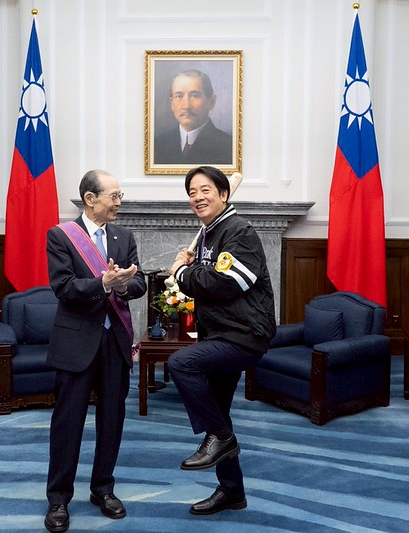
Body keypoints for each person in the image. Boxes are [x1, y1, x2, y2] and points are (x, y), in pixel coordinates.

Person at [166, 165, 277, 515]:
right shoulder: (210, 233)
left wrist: (183, 272)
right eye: (192, 192)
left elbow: (227, 283)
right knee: (219, 413)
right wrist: (193, 267)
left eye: (205, 191)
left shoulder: (238, 231)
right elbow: (210, 277)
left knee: (180, 363)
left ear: (224, 194)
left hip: (244, 335)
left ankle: (222, 439)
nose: (197, 197)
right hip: (221, 332)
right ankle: (232, 491)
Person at [43, 169, 147, 533]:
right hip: (76, 343)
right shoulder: (61, 236)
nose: (119, 203)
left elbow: (139, 282)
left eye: (120, 196)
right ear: (91, 199)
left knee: (112, 419)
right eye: (114, 196)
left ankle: (103, 488)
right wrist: (103, 283)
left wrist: (124, 286)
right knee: (68, 422)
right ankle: (58, 499)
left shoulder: (123, 236)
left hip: (114, 342)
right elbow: (63, 287)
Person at [154, 69, 232, 165]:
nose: (186, 106)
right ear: (172, 103)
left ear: (211, 102)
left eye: (194, 95)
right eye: (179, 96)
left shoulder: (228, 146)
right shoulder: (157, 145)